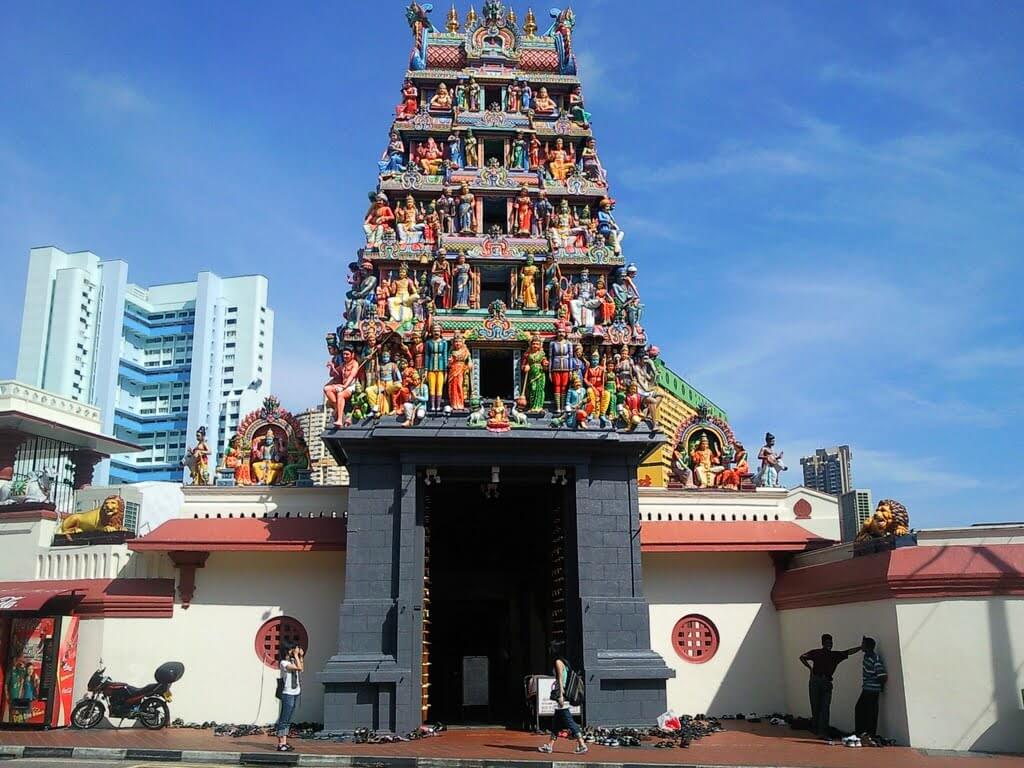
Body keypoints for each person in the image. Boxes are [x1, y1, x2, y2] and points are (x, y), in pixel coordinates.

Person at [799, 634, 861, 739]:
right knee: (816, 705)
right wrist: (809, 668)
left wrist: (859, 648)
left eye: (831, 643)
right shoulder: (817, 653)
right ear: (823, 643)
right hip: (817, 681)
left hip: (824, 681)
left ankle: (822, 731)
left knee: (824, 707)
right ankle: (818, 729)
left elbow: (848, 652)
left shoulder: (834, 655)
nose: (830, 645)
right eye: (828, 643)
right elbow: (802, 657)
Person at [538, 641, 587, 754]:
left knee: (569, 720)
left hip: (562, 695)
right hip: (561, 694)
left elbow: (560, 679)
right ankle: (550, 745)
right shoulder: (564, 662)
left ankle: (582, 744)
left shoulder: (558, 662)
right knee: (556, 722)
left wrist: (560, 695)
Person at [855, 637, 887, 741]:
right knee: (863, 710)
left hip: (871, 690)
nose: (861, 646)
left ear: (867, 646)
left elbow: (882, 675)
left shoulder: (874, 658)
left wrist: (879, 685)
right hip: (867, 689)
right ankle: (864, 733)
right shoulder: (867, 656)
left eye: (863, 644)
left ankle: (869, 734)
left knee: (869, 712)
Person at [276, 642, 304, 752]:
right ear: (288, 650)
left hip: (295, 691)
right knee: (284, 718)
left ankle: (284, 741)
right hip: (287, 693)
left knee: (288, 719)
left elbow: (301, 668)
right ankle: (280, 743)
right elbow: (297, 667)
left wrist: (300, 656)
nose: (295, 650)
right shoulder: (283, 663)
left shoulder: (292, 660)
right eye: (293, 649)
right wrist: (297, 655)